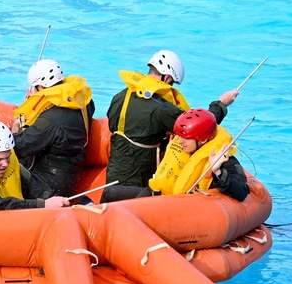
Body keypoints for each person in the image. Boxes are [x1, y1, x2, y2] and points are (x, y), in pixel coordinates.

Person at [102, 50, 238, 202]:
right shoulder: (162, 109)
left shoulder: (120, 97)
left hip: (114, 172)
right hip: (139, 177)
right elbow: (196, 126)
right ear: (166, 77)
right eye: (172, 83)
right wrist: (221, 104)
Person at [103, 109, 249, 202]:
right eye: (179, 136)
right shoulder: (180, 144)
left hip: (178, 208)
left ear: (203, 139)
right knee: (110, 193)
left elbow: (242, 192)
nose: (180, 142)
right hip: (157, 195)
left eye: (186, 138)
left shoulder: (224, 160)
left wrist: (217, 171)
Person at [9, 59, 95, 197]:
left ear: (41, 88)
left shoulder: (49, 121)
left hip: (47, 187)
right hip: (68, 176)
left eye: (35, 87)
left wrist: (17, 126)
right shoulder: (84, 102)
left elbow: (18, 147)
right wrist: (37, 104)